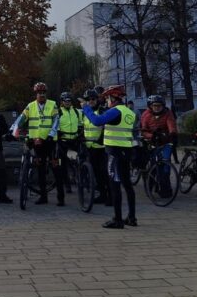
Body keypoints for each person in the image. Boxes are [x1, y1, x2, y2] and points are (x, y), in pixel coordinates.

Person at [82, 84, 137, 228]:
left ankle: (117, 219)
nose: (106, 101)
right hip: (127, 150)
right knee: (128, 185)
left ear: (112, 97)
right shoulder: (129, 112)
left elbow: (97, 121)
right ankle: (132, 217)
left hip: (114, 152)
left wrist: (85, 108)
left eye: (107, 98)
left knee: (115, 184)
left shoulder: (116, 111)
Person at [17, 82, 62, 206]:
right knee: (41, 169)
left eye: (43, 93)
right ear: (36, 94)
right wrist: (13, 130)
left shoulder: (53, 104)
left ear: (46, 93)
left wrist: (51, 134)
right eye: (39, 93)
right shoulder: (30, 106)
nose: (41, 95)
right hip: (37, 142)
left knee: (56, 168)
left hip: (51, 142)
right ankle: (43, 197)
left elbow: (56, 120)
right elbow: (21, 119)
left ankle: (61, 197)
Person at [80, 89, 111, 206]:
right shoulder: (85, 112)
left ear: (97, 99)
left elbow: (106, 126)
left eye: (92, 99)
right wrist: (80, 136)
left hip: (102, 147)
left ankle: (111, 196)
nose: (90, 101)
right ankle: (102, 195)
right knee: (96, 173)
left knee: (105, 172)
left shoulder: (102, 110)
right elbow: (84, 127)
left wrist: (102, 137)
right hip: (90, 146)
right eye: (88, 100)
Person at [56, 92, 82, 194]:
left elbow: (80, 123)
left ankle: (79, 180)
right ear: (62, 102)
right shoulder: (58, 112)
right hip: (63, 142)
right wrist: (58, 133)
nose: (67, 102)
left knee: (76, 161)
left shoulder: (76, 111)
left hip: (74, 141)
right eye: (65, 101)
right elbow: (55, 125)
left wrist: (80, 132)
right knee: (63, 165)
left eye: (69, 100)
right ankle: (67, 185)